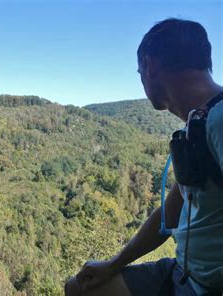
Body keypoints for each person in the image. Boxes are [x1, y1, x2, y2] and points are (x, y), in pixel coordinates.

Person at [65, 18, 223, 296]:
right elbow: (170, 213)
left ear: (150, 67)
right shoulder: (198, 126)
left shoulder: (219, 122)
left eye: (139, 72)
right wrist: (114, 264)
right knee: (79, 288)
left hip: (206, 287)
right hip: (182, 273)